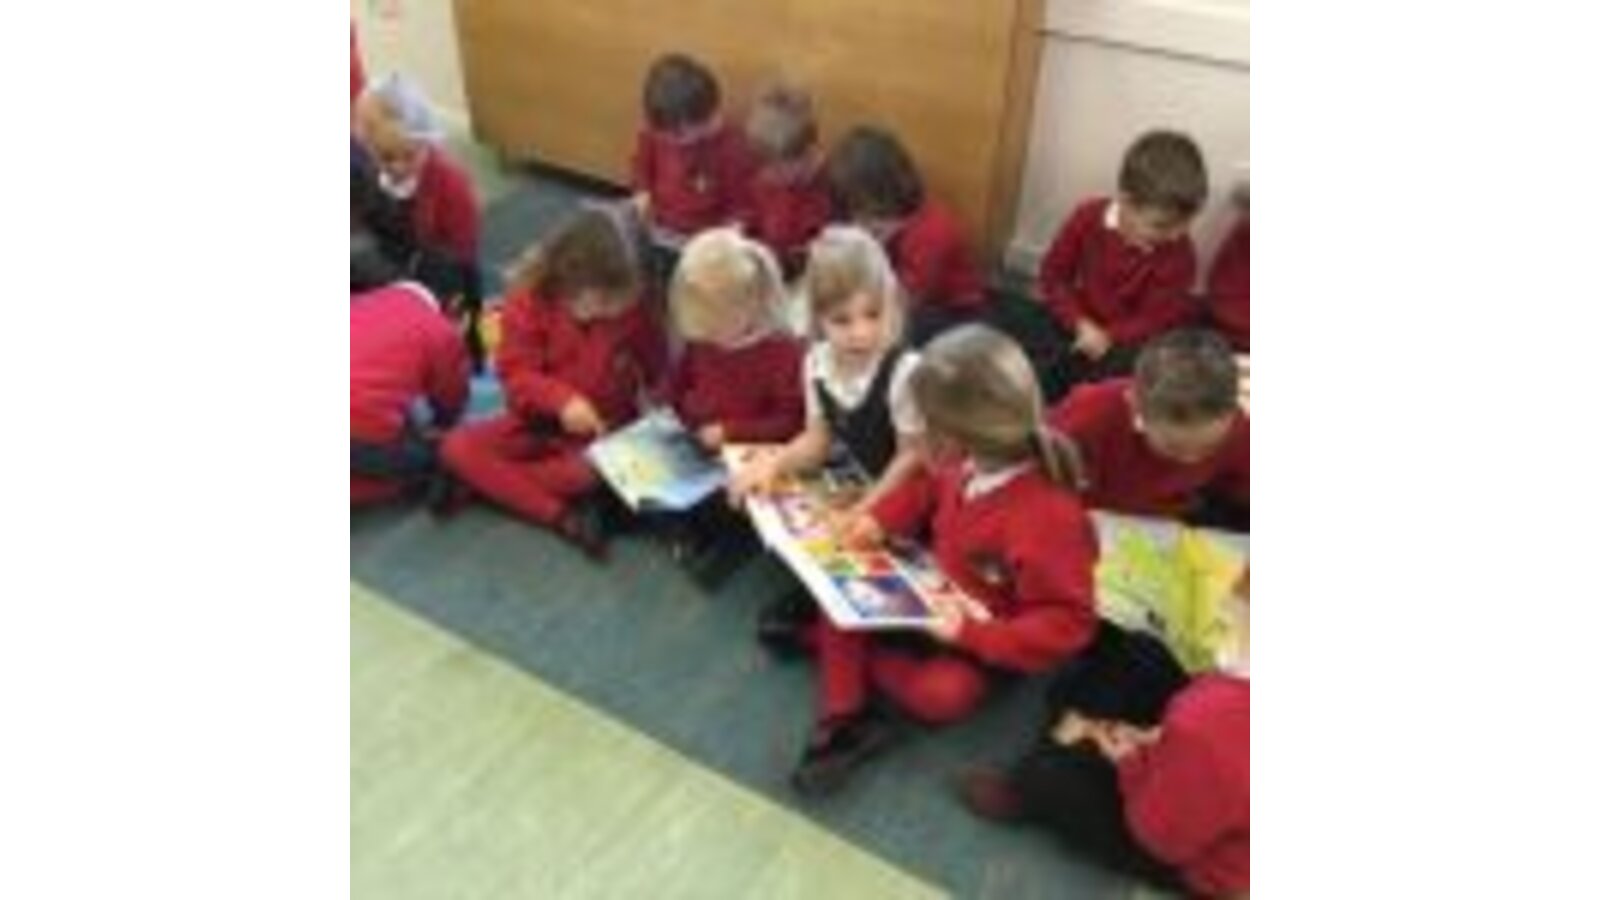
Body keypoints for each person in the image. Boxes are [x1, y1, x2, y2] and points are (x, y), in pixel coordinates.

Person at [439, 209, 666, 558]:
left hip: (598, 435)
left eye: (624, 303)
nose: (615, 311)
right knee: (455, 446)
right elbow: (516, 375)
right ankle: (559, 516)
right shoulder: (528, 299)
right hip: (534, 422)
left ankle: (485, 484)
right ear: (571, 279)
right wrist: (561, 401)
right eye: (606, 302)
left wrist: (658, 406)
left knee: (587, 475)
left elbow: (657, 369)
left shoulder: (634, 311)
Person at [1039, 130, 1208, 384]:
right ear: (1126, 202)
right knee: (1039, 350)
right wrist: (1078, 322)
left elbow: (1154, 319)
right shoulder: (1087, 217)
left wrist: (1108, 336)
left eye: (1186, 223)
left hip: (1130, 337)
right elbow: (1054, 277)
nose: (1176, 235)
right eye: (1162, 225)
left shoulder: (1180, 256)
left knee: (1128, 377)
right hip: (1082, 319)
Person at [1049, 329, 1248, 530]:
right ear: (1136, 407)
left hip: (1165, 525)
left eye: (1208, 448)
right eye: (1173, 448)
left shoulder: (1238, 430)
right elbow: (1040, 473)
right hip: (1085, 518)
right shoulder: (1089, 415)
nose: (1191, 459)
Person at [826, 126, 985, 343]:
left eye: (860, 208)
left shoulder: (931, 233)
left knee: (889, 331)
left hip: (954, 313)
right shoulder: (877, 220)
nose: (856, 220)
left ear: (882, 194)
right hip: (909, 295)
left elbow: (906, 301)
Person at [741, 83, 833, 276]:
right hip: (770, 267)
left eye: (779, 170)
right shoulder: (763, 181)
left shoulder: (828, 185)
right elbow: (753, 220)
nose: (769, 176)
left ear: (808, 152)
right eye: (765, 167)